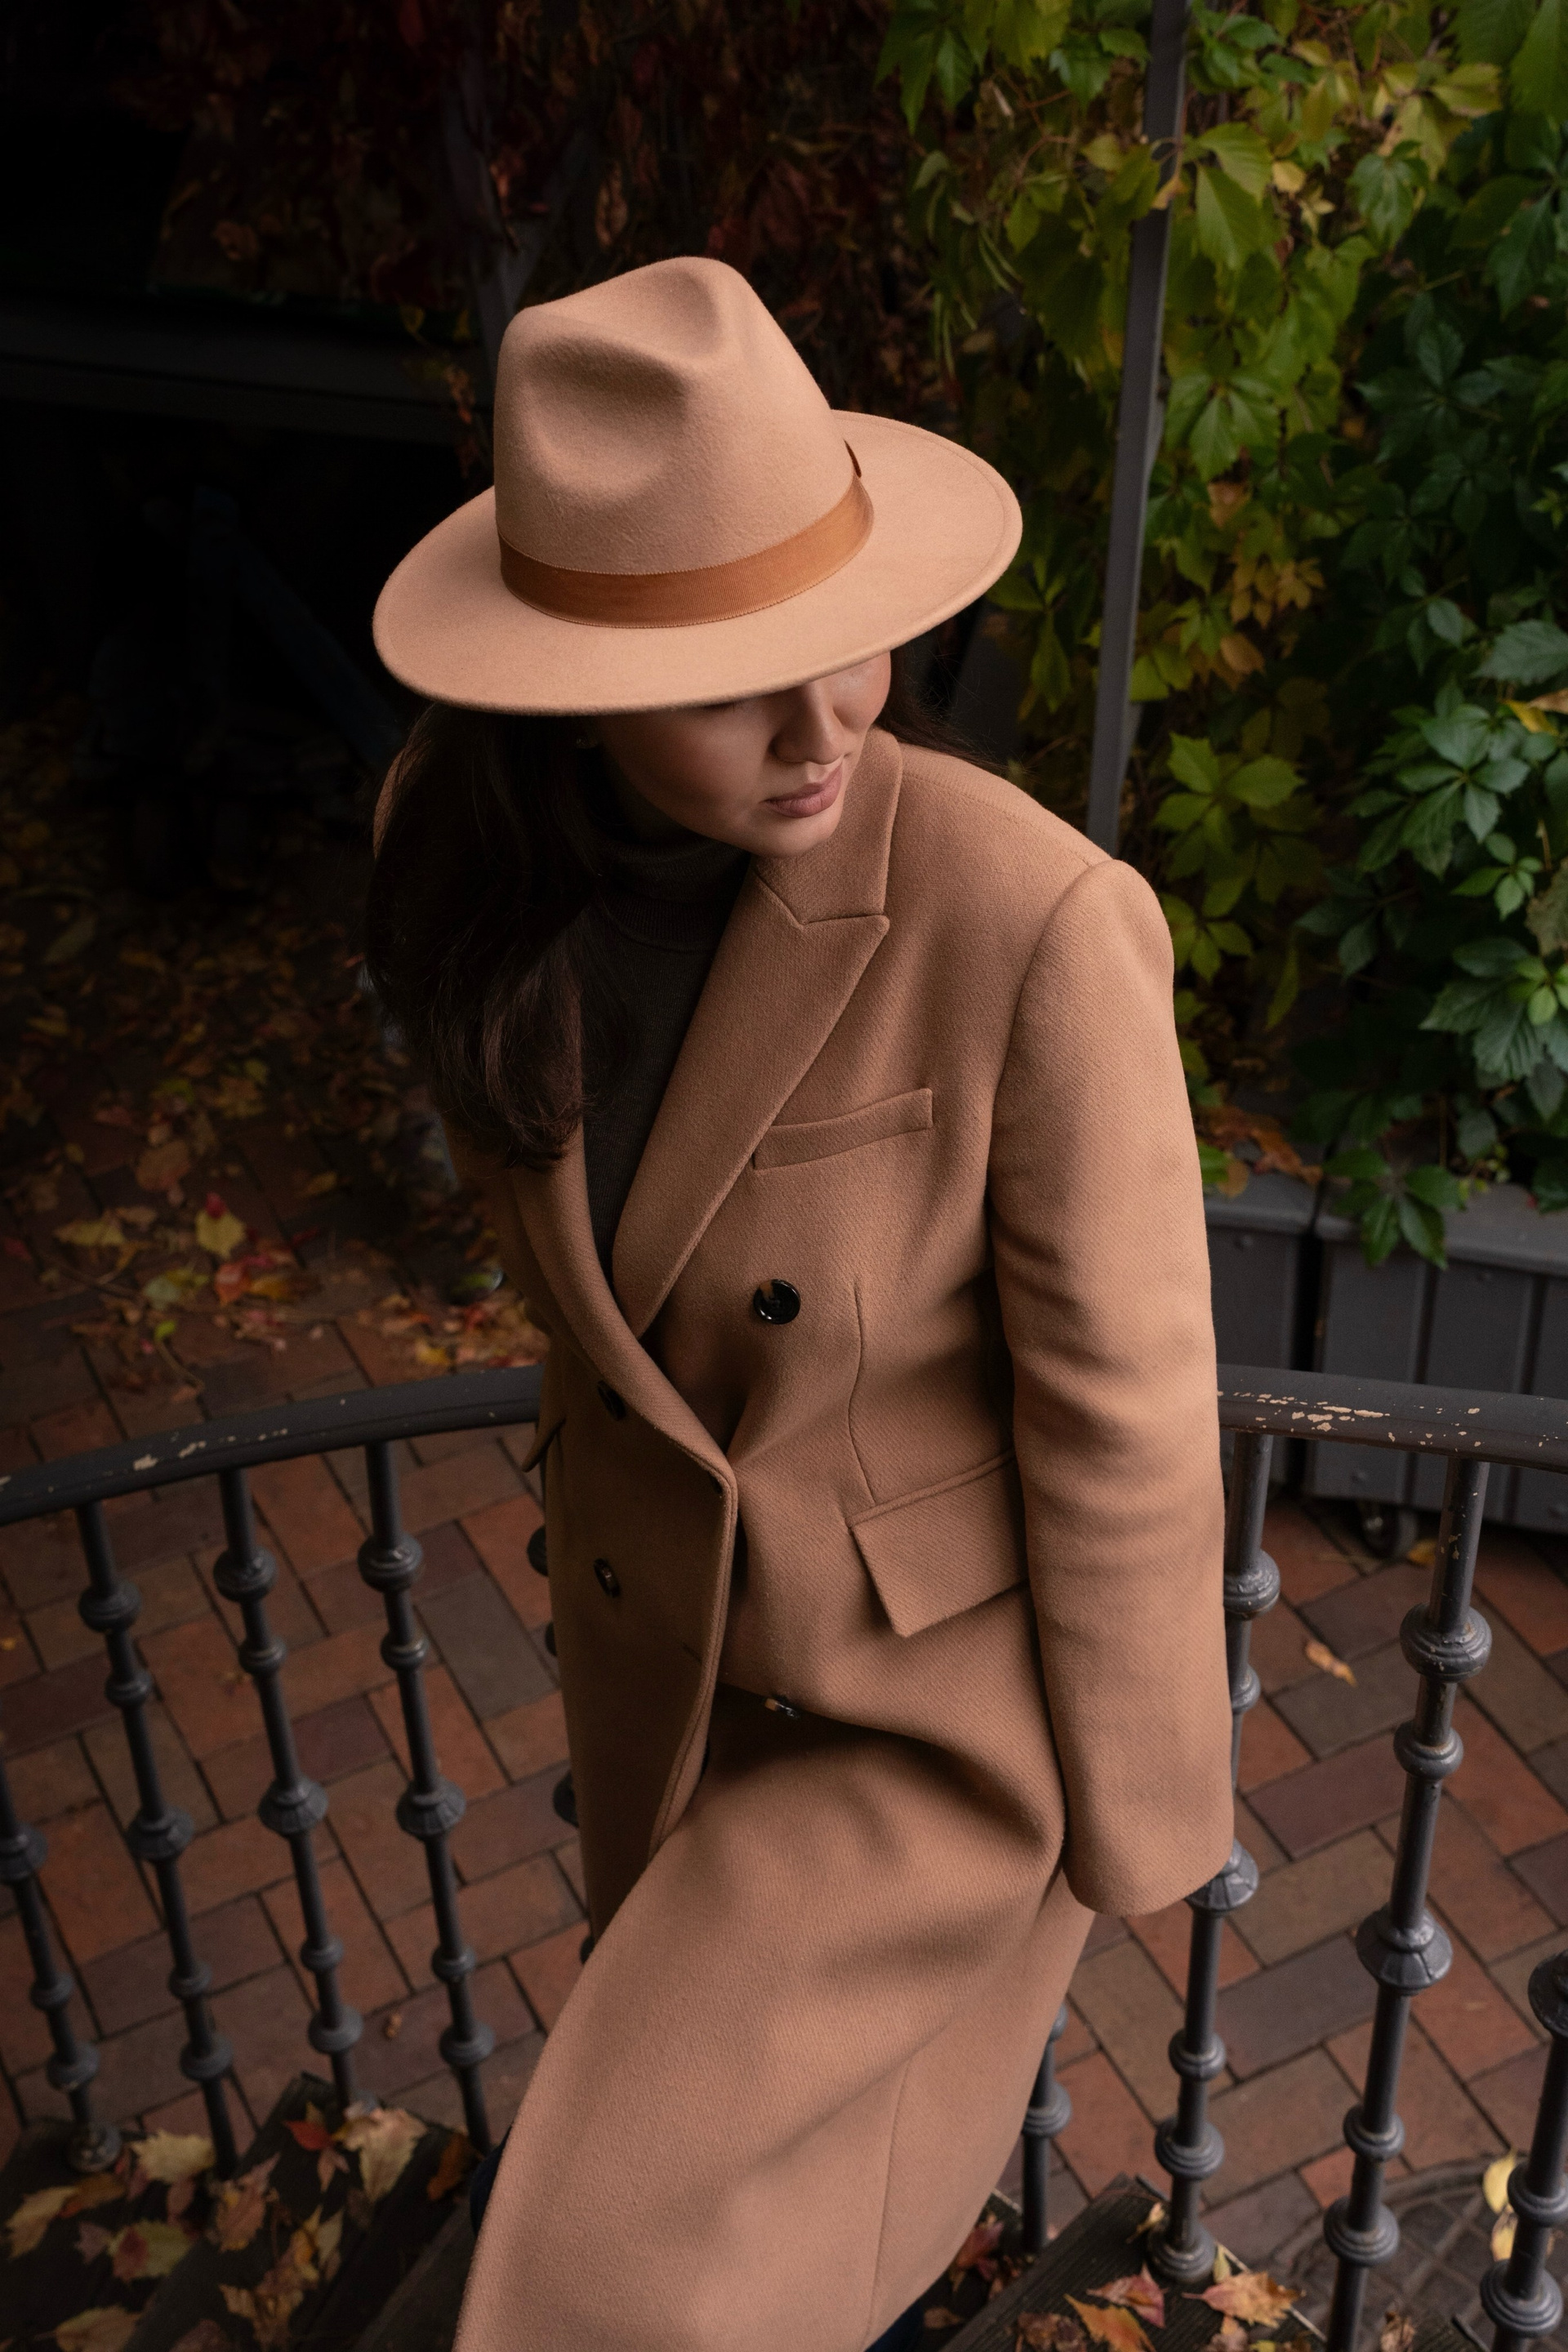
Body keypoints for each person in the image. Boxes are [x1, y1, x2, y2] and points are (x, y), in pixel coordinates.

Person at [365, 255, 1233, 2352]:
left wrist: (1142, 1829)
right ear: (562, 696)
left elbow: (1124, 1396)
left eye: (849, 635)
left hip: (921, 1734)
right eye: (734, 678)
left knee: (614, 2279)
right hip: (667, 1671)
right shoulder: (457, 866)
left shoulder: (1023, 916)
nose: (833, 715)